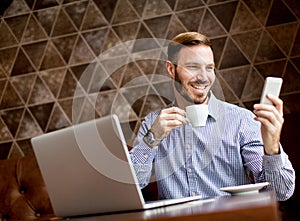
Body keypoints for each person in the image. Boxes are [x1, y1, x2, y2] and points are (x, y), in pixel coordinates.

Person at [129, 32, 295, 201]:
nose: (203, 77)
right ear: (171, 69)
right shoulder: (153, 123)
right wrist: (152, 140)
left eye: (209, 68)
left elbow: (281, 192)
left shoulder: (241, 120)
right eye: (193, 67)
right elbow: (130, 185)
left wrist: (272, 146)